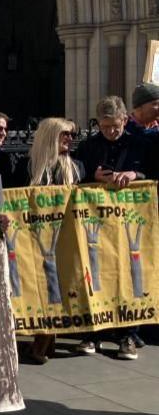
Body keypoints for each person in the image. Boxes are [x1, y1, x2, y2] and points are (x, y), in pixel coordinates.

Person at [73, 97, 148, 360]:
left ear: (125, 121)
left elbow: (150, 172)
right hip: (96, 224)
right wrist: (92, 177)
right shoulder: (88, 146)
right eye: (104, 127)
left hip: (130, 224)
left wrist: (134, 176)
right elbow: (76, 177)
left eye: (114, 126)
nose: (110, 132)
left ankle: (128, 334)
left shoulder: (141, 144)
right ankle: (92, 333)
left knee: (129, 275)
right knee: (94, 274)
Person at [23, 117, 85, 365]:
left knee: (59, 287)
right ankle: (43, 338)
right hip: (35, 238)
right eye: (64, 135)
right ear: (50, 137)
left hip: (65, 238)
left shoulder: (77, 166)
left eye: (72, 134)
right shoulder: (27, 167)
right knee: (42, 288)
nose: (70, 139)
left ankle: (48, 337)